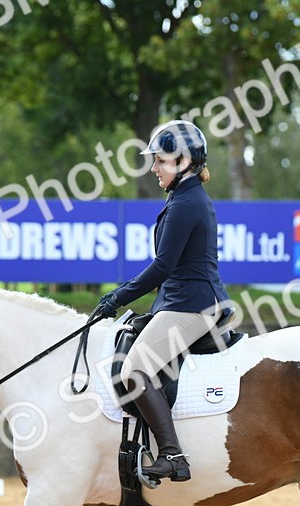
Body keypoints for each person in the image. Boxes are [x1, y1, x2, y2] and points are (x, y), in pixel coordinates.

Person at [95, 119, 231, 483]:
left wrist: (118, 296)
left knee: (134, 369)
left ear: (184, 161)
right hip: (183, 299)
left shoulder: (187, 203)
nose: (153, 167)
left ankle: (173, 455)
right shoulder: (184, 197)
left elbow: (163, 266)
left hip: (191, 305)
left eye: (160, 160)